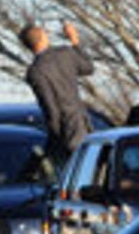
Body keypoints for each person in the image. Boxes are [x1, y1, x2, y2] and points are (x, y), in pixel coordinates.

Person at [19, 21, 94, 163]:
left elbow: (50, 106)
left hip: (64, 129)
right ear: (43, 37)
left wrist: (56, 137)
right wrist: (74, 40)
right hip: (81, 122)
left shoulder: (35, 71)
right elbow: (88, 67)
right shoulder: (65, 54)